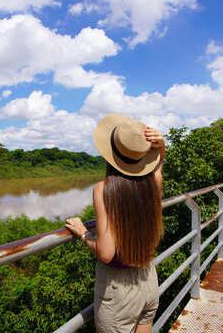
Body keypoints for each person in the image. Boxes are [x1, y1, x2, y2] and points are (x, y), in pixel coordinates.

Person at [65, 113, 165, 333]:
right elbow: (158, 167)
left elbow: (106, 253)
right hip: (147, 278)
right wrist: (161, 147)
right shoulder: (152, 183)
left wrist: (84, 233)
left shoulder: (103, 190)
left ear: (109, 155)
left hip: (119, 292)